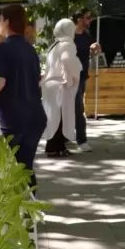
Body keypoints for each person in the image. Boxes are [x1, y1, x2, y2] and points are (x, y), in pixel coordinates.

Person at [0, 4, 47, 190]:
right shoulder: (30, 50)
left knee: (9, 170)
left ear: (6, 22)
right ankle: (29, 213)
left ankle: (16, 214)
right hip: (35, 117)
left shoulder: (2, 49)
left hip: (12, 119)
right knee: (25, 168)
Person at [42, 19, 83, 157]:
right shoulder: (68, 44)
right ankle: (56, 148)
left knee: (53, 118)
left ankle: (55, 147)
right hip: (60, 85)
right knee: (61, 118)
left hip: (50, 85)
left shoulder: (54, 45)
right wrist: (69, 79)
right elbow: (66, 60)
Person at [70, 8, 101, 153]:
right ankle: (81, 141)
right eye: (88, 18)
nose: (90, 20)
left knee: (76, 108)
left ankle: (74, 139)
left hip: (82, 77)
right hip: (69, 78)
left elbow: (94, 51)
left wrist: (95, 49)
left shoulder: (87, 36)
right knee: (77, 109)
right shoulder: (69, 36)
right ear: (79, 20)